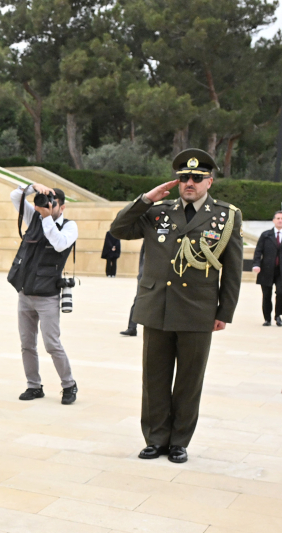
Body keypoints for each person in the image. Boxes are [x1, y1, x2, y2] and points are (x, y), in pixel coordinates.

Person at [109, 149, 243, 465]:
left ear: (209, 181)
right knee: (154, 378)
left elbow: (233, 268)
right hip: (157, 306)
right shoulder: (159, 211)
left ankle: (179, 441)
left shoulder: (225, 216)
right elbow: (119, 230)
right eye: (184, 178)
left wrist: (225, 311)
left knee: (189, 380)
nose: (189, 183)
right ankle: (155, 439)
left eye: (197, 178)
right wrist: (145, 199)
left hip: (198, 310)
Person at [8, 183, 78, 405]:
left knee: (51, 344)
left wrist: (47, 217)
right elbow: (15, 196)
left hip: (48, 295)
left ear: (62, 206)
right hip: (25, 292)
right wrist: (31, 187)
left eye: (53, 202)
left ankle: (69, 385)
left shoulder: (69, 226)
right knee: (27, 343)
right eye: (46, 200)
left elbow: (59, 244)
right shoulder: (35, 218)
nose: (48, 205)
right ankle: (33, 385)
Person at [252, 211, 282, 326]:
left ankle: (278, 315)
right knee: (266, 294)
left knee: (281, 293)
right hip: (267, 269)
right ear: (274, 220)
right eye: (278, 218)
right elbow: (258, 251)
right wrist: (256, 264)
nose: (280, 220)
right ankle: (267, 318)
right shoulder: (266, 235)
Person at [120, 243, 145, 337]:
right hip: (145, 276)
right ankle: (132, 328)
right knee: (138, 301)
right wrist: (140, 273)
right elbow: (142, 256)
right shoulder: (149, 236)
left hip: (160, 278)